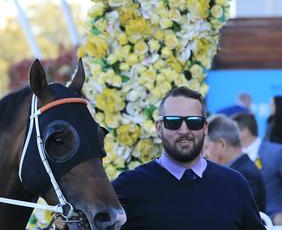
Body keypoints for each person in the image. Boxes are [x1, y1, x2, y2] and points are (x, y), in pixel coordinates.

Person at [112, 87, 265, 229]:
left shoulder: (234, 184)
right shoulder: (129, 187)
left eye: (193, 122)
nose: (184, 130)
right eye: (173, 122)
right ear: (159, 128)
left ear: (205, 127)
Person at [203, 114, 266, 212]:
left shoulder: (244, 175)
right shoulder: (242, 170)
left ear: (222, 144)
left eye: (206, 147)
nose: (204, 154)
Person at [233, 112, 282, 225]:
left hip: (273, 219)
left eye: (232, 130)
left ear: (244, 131)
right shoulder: (233, 157)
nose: (229, 135)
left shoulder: (275, 152)